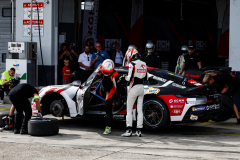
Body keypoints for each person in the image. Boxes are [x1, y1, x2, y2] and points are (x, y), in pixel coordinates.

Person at [121, 49, 147, 137]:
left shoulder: (132, 64)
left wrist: (123, 77)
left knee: (129, 109)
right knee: (140, 110)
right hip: (142, 87)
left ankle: (129, 130)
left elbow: (129, 78)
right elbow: (146, 77)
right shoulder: (144, 63)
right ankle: (139, 130)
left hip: (134, 88)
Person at [95, 59, 120, 134]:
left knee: (108, 105)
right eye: (104, 71)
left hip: (111, 88)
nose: (105, 73)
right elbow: (96, 76)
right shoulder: (100, 67)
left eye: (107, 72)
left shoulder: (115, 75)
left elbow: (118, 87)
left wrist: (117, 98)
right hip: (103, 87)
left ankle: (108, 127)